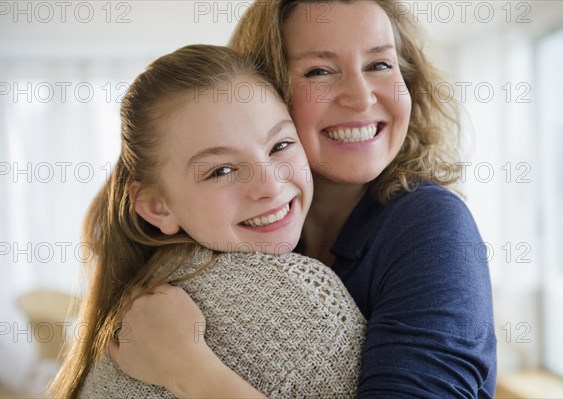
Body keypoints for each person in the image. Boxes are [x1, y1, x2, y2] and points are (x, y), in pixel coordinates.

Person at [111, 0, 498, 397]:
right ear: (267, 90)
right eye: (319, 71)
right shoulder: (228, 250)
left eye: (380, 64)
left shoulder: (430, 225)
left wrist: (190, 371)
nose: (361, 98)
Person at [47, 44, 367, 399]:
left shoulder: (155, 281)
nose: (270, 185)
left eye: (279, 145)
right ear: (157, 206)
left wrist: (192, 372)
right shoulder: (300, 296)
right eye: (222, 170)